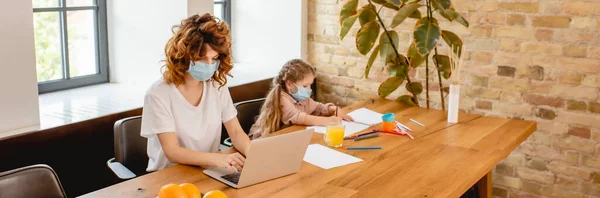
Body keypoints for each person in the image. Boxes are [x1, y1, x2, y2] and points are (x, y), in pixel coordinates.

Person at [141, 13, 249, 173]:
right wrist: (219, 159)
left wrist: (255, 155)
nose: (209, 65)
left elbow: (236, 132)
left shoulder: (216, 85)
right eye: (202, 58)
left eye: (215, 58)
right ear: (184, 55)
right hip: (170, 175)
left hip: (208, 170)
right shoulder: (158, 94)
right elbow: (172, 152)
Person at [249, 59, 353, 139]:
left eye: (310, 85)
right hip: (260, 140)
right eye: (305, 86)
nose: (309, 89)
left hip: (286, 138)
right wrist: (328, 121)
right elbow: (299, 117)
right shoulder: (281, 97)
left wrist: (333, 109)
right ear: (289, 84)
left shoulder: (302, 97)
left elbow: (319, 108)